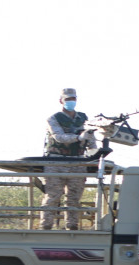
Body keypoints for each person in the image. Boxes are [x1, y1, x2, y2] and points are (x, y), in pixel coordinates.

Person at [41, 88, 97, 230]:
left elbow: (91, 138)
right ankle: (45, 226)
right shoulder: (54, 118)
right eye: (67, 99)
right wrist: (78, 137)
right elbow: (58, 137)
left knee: (74, 198)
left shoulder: (83, 118)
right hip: (56, 161)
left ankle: (72, 227)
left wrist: (94, 153)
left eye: (73, 99)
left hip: (78, 161)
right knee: (53, 196)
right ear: (61, 101)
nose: (71, 102)